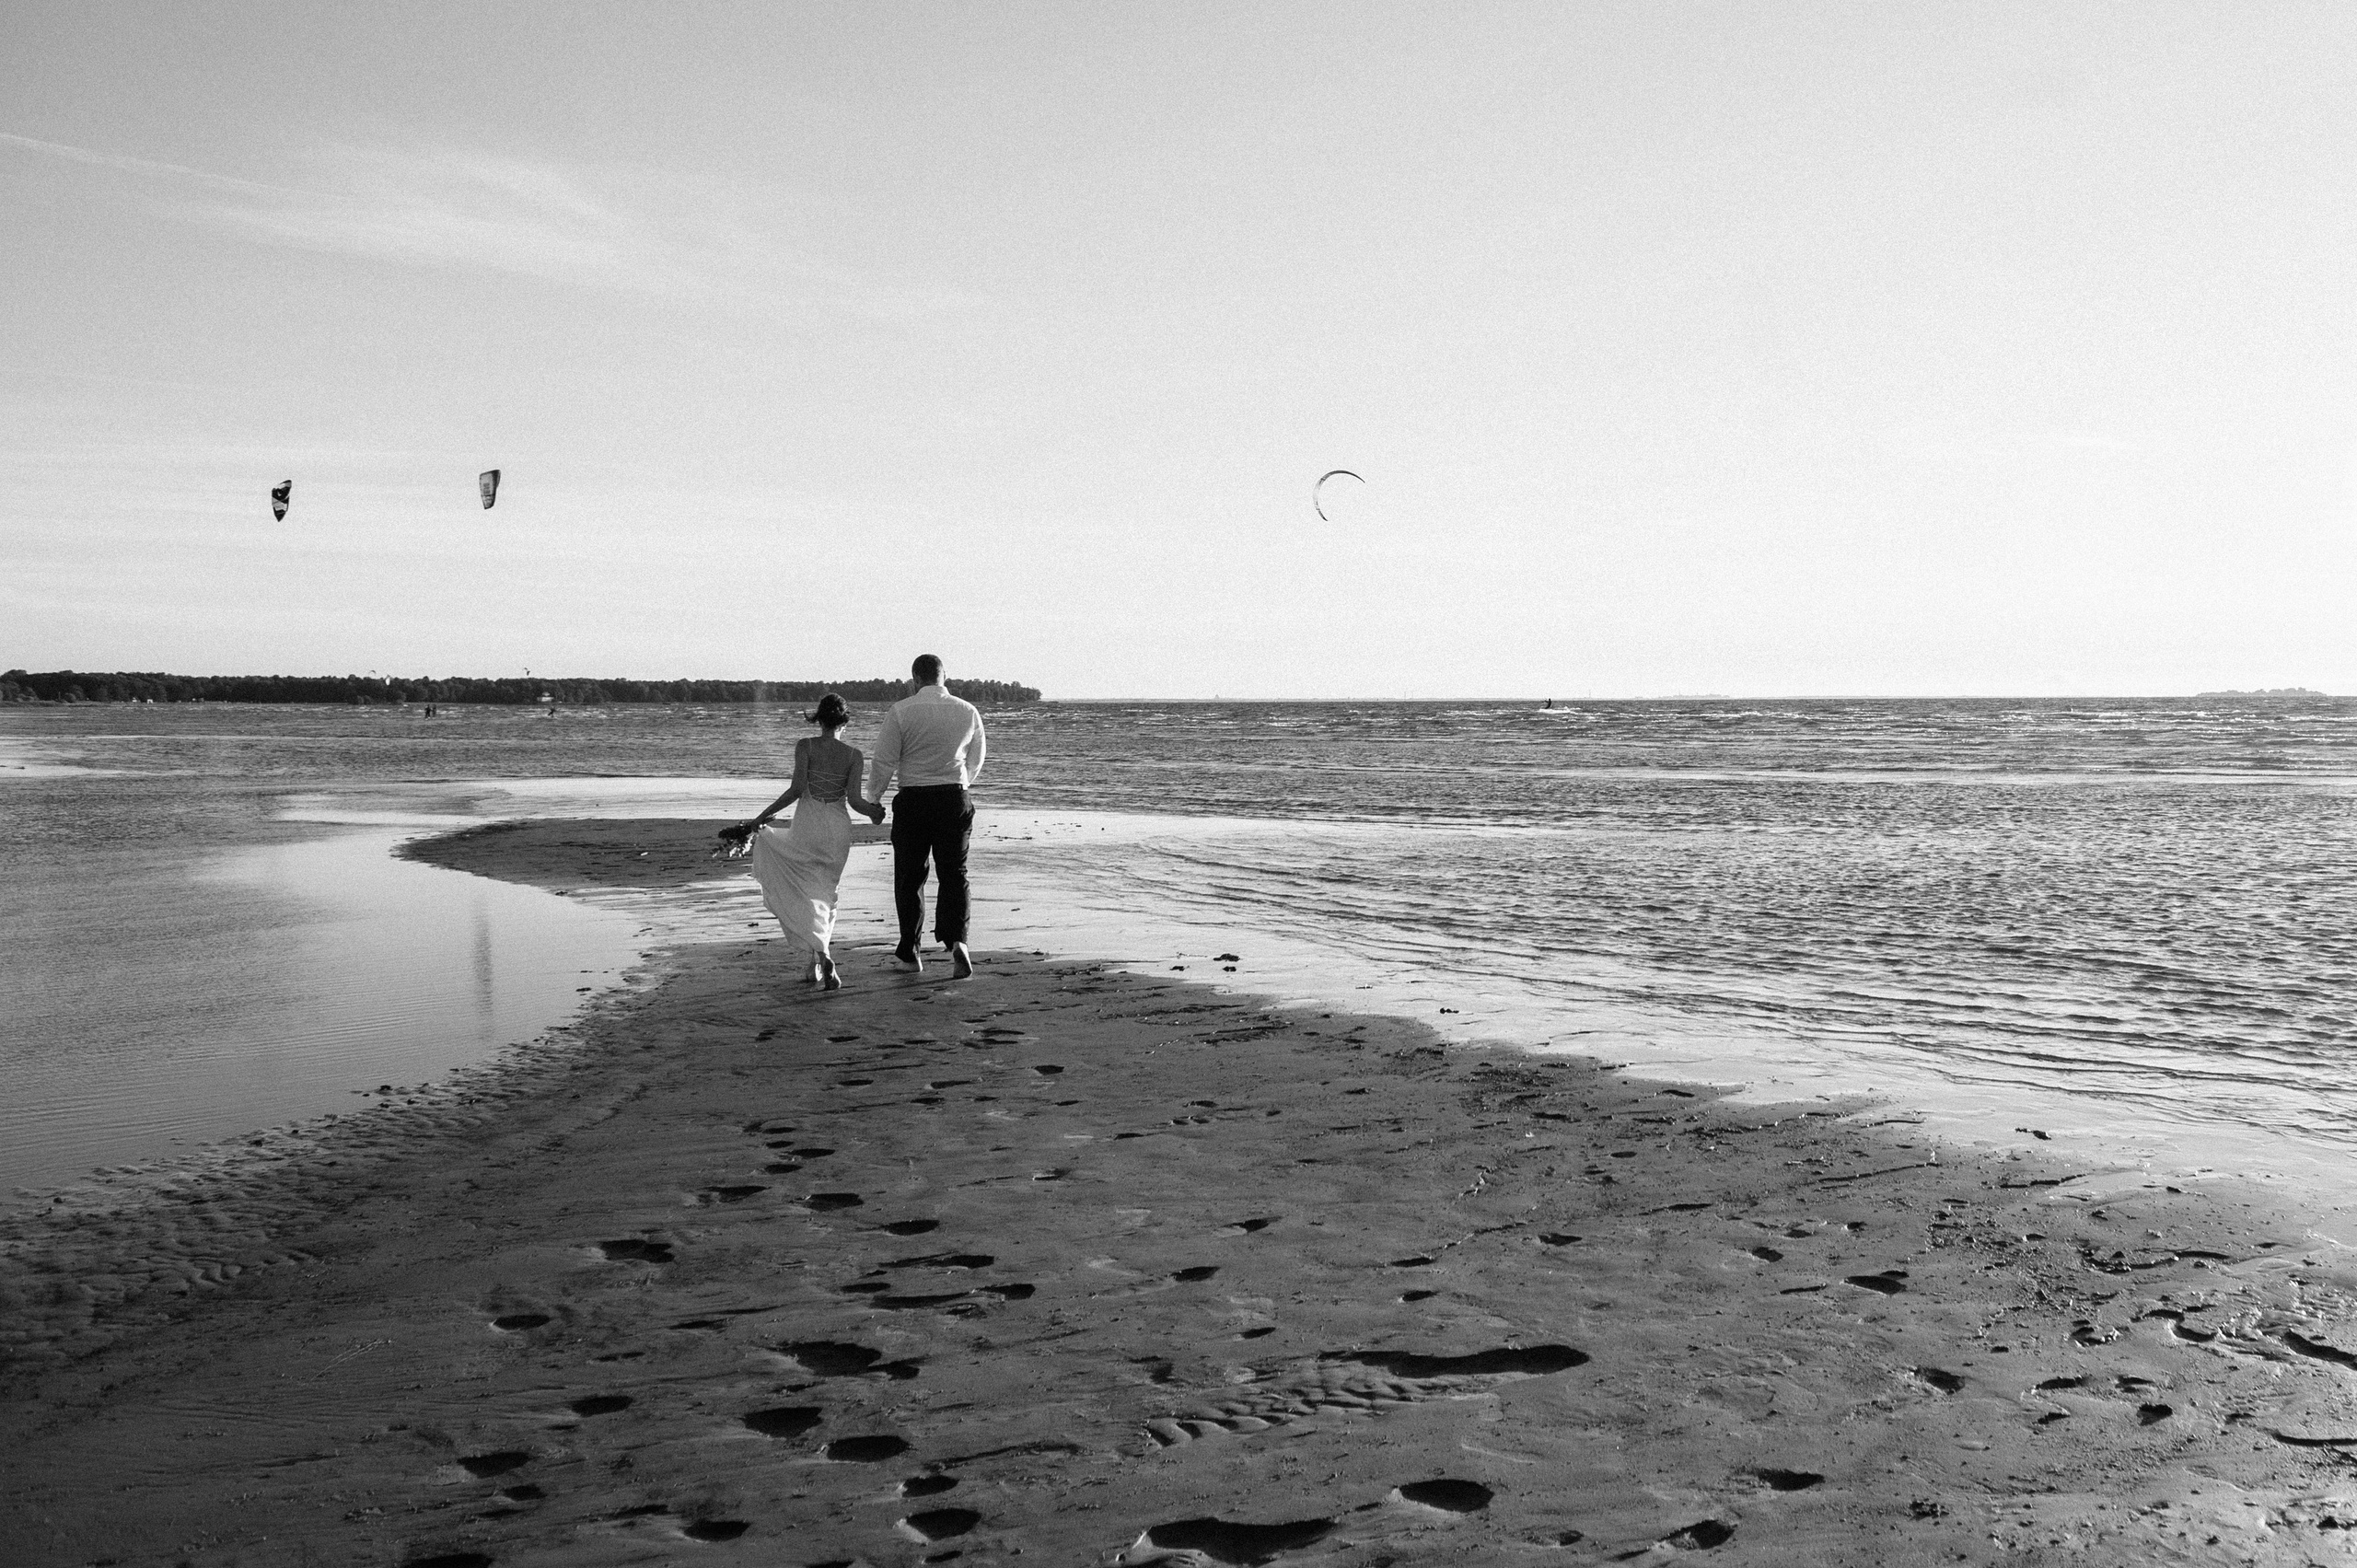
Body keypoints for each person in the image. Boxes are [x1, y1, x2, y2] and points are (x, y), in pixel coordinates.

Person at [733, 693, 886, 990]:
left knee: (803, 890)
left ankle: (821, 955)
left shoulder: (806, 746)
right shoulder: (854, 755)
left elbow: (796, 790)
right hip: (837, 829)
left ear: (818, 718)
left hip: (808, 823)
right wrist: (875, 813)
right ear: (844, 721)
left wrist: (761, 818)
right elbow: (855, 801)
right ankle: (818, 958)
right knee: (827, 893)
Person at [867, 653, 987, 978]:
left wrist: (873, 799)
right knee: (954, 873)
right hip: (954, 797)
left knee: (910, 876)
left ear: (915, 679)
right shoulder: (967, 711)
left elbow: (885, 760)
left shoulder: (902, 711)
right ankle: (958, 941)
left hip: (914, 799)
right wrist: (961, 785)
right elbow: (976, 758)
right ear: (943, 677)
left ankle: (910, 952)